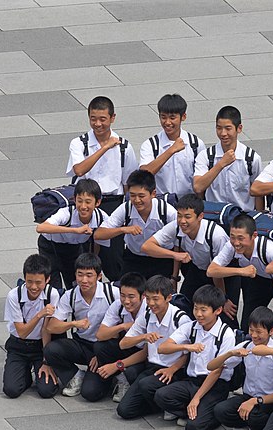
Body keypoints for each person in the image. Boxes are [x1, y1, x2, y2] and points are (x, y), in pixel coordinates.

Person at [155, 285, 241, 430]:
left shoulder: (226, 334)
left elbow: (216, 371)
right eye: (196, 308)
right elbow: (162, 348)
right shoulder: (191, 327)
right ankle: (191, 411)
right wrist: (186, 348)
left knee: (194, 427)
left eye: (203, 310)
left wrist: (196, 398)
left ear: (218, 311)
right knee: (161, 395)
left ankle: (206, 413)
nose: (198, 314)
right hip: (192, 381)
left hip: (215, 385)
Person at [67, 96, 132, 279]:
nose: (98, 124)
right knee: (83, 256)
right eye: (93, 118)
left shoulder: (124, 146)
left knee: (113, 258)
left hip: (112, 204)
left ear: (112, 118)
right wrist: (104, 148)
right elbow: (79, 170)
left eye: (103, 119)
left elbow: (128, 183)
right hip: (85, 204)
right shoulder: (79, 143)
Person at [116, 275, 193, 420]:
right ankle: (160, 405)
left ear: (168, 297)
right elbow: (123, 344)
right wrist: (143, 337)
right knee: (124, 411)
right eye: (148, 298)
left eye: (156, 299)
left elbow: (189, 352)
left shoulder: (180, 319)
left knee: (146, 385)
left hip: (175, 370)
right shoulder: (146, 314)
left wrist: (173, 369)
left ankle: (175, 406)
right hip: (152, 367)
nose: (151, 303)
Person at [42, 253, 115, 398]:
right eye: (80, 275)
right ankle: (75, 376)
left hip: (105, 347)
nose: (84, 280)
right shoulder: (71, 295)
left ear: (99, 276)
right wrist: (73, 323)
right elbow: (51, 327)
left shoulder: (112, 293)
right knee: (51, 349)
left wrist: (101, 354)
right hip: (82, 344)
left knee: (90, 393)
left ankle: (115, 376)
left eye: (89, 275)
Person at [142, 193, 235, 303]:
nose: (182, 221)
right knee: (182, 303)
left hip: (224, 274)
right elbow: (147, 246)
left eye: (187, 216)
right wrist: (174, 257)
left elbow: (217, 270)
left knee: (224, 311)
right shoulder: (176, 226)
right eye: (179, 215)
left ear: (200, 216)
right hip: (198, 269)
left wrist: (223, 298)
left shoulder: (216, 235)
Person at [214, 307, 273, 430]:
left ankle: (255, 423)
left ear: (271, 331)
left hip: (268, 401)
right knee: (220, 410)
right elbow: (212, 366)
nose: (254, 335)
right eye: (251, 330)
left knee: (257, 417)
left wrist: (255, 401)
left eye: (258, 331)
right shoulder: (246, 346)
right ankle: (247, 423)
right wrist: (230, 353)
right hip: (248, 396)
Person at [95, 169, 174, 280]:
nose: (137, 200)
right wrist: (123, 230)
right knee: (126, 291)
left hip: (162, 259)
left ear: (153, 194)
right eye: (132, 195)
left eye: (141, 196)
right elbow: (98, 234)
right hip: (134, 258)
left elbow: (180, 241)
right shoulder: (126, 208)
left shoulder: (166, 211)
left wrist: (174, 277)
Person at [2, 254, 61, 400]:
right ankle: (25, 374)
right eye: (29, 282)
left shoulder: (52, 294)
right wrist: (40, 314)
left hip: (40, 346)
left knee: (46, 391)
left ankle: (38, 368)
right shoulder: (14, 296)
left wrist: (47, 360)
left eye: (38, 282)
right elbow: (22, 332)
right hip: (18, 345)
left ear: (47, 280)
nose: (33, 287)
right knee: (11, 390)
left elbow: (46, 329)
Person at [34, 177, 107, 290]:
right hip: (50, 247)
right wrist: (75, 230)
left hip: (73, 248)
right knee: (53, 287)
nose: (83, 206)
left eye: (88, 202)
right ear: (74, 199)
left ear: (97, 202)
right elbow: (41, 227)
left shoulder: (101, 217)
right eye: (79, 201)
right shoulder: (66, 213)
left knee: (75, 284)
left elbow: (100, 239)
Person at [85, 272, 147, 403]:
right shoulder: (118, 306)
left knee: (132, 373)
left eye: (131, 297)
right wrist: (123, 326)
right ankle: (112, 379)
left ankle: (124, 378)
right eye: (123, 295)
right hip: (125, 347)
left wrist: (116, 365)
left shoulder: (149, 312)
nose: (126, 301)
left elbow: (147, 352)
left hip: (143, 356)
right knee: (99, 348)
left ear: (143, 296)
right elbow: (100, 335)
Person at [224, 213, 273, 329]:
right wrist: (240, 272)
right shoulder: (231, 246)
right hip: (259, 278)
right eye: (232, 237)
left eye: (241, 238)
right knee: (247, 323)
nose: (236, 243)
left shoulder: (270, 251)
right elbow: (212, 270)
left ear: (254, 235)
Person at [193, 105, 262, 211]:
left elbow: (258, 192)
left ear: (239, 128)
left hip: (242, 218)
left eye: (228, 128)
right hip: (214, 215)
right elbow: (198, 187)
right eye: (219, 128)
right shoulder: (206, 156)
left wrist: (259, 217)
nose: (223, 133)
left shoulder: (251, 158)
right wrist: (221, 164)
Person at [137, 93, 201, 198]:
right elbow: (144, 175)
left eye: (172, 118)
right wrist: (171, 151)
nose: (167, 122)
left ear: (183, 117)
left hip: (188, 204)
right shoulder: (151, 145)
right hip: (161, 202)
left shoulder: (195, 143)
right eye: (163, 117)